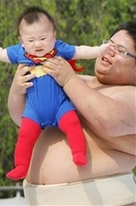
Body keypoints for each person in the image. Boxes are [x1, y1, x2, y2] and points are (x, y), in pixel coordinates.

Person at [0, 6, 112, 180]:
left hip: (60, 105)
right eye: (31, 40)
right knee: (25, 136)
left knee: (73, 123)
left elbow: (81, 51)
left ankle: (79, 153)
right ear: (21, 41)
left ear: (54, 36)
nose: (37, 44)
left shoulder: (59, 49)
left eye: (43, 38)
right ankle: (21, 166)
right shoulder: (20, 53)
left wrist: (100, 50)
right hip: (34, 110)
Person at [8, 21, 136, 205]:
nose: (110, 51)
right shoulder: (79, 82)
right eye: (110, 44)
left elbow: (109, 120)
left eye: (121, 50)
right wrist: (17, 89)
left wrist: (68, 80)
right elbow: (21, 118)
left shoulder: (130, 95)